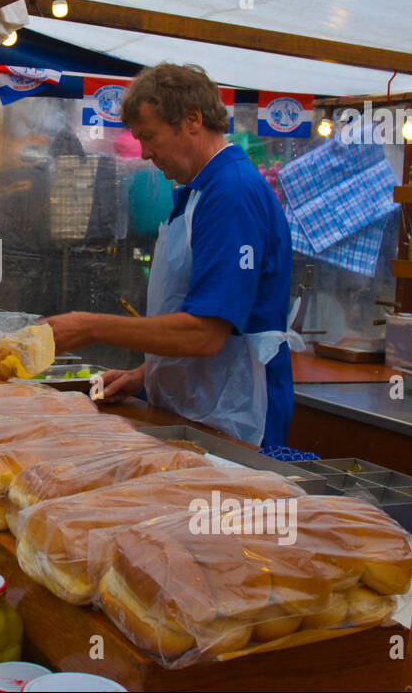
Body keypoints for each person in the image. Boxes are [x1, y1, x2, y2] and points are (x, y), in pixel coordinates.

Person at [44, 63, 293, 448]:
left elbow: (206, 333)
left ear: (192, 120)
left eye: (149, 136)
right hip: (196, 409)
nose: (144, 153)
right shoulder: (198, 192)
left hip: (234, 422)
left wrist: (89, 326)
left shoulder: (232, 194)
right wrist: (148, 372)